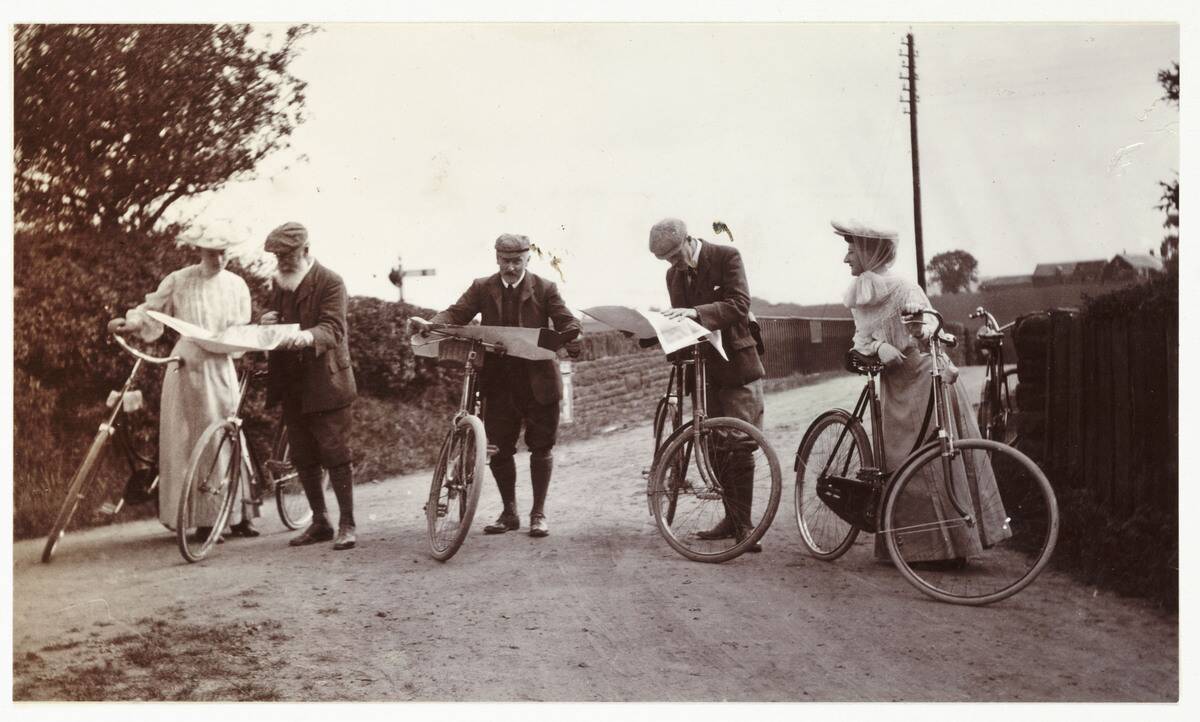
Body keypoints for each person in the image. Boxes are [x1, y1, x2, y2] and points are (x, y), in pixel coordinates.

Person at [834, 219, 1010, 561]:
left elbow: (930, 324)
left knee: (934, 458)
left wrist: (919, 325)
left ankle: (951, 547)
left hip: (925, 381)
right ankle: (912, 550)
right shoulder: (860, 293)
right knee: (897, 464)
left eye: (851, 250)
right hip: (894, 386)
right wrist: (878, 348)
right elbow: (861, 340)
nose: (846, 259)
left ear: (870, 252)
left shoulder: (903, 288)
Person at [430, 233, 582, 537]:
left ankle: (538, 513)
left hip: (538, 381)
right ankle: (509, 512)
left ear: (528, 258)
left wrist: (572, 333)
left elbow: (566, 320)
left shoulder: (545, 288)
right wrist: (432, 323)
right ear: (496, 258)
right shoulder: (482, 287)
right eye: (504, 260)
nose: (510, 267)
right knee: (500, 450)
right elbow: (456, 313)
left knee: (541, 447)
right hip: (499, 383)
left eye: (516, 261)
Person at [108, 237, 254, 540]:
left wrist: (230, 337)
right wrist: (130, 323)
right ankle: (203, 519)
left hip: (220, 362)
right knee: (192, 438)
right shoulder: (179, 280)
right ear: (199, 251)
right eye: (212, 253)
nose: (219, 259)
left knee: (228, 432)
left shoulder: (237, 284)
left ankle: (239, 514)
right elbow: (151, 310)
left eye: (224, 253)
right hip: (187, 363)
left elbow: (242, 324)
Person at [647, 217, 767, 551]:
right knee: (713, 443)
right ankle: (731, 518)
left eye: (675, 256)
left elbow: (739, 305)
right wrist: (654, 331)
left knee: (740, 443)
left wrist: (695, 312)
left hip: (737, 364)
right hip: (705, 371)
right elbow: (679, 319)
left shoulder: (727, 256)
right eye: (667, 261)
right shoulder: (674, 275)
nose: (674, 265)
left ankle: (744, 525)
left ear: (688, 240)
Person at [260, 222, 360, 550]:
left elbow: (333, 328)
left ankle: (347, 523)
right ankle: (320, 521)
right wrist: (267, 321)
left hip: (326, 381)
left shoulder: (330, 281)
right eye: (277, 255)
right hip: (292, 383)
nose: (282, 261)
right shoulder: (281, 283)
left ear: (305, 250)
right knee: (303, 455)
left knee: (335, 452)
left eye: (288, 254)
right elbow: (275, 316)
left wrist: (305, 336)